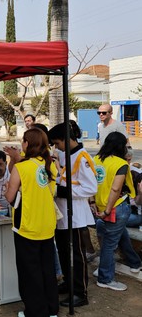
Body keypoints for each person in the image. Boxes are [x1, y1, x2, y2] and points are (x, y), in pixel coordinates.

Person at [4, 128, 59, 317]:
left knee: (30, 273)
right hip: (47, 225)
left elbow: (10, 198)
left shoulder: (22, 168)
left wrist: (7, 190)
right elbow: (50, 192)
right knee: (47, 270)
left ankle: (35, 312)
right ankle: (51, 309)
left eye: (23, 141)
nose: (21, 144)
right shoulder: (49, 165)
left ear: (28, 144)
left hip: (27, 226)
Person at [48, 121, 97, 308]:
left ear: (67, 139)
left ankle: (80, 292)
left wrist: (65, 192)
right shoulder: (65, 154)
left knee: (77, 255)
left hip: (75, 215)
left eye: (57, 143)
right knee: (63, 251)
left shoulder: (82, 157)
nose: (56, 147)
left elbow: (90, 187)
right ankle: (68, 284)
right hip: (62, 213)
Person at [92, 131, 141, 291]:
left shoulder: (96, 159)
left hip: (100, 206)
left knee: (118, 235)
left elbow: (93, 183)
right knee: (109, 244)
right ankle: (105, 277)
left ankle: (134, 262)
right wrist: (107, 211)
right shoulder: (121, 164)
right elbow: (115, 189)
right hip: (115, 207)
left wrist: (94, 203)